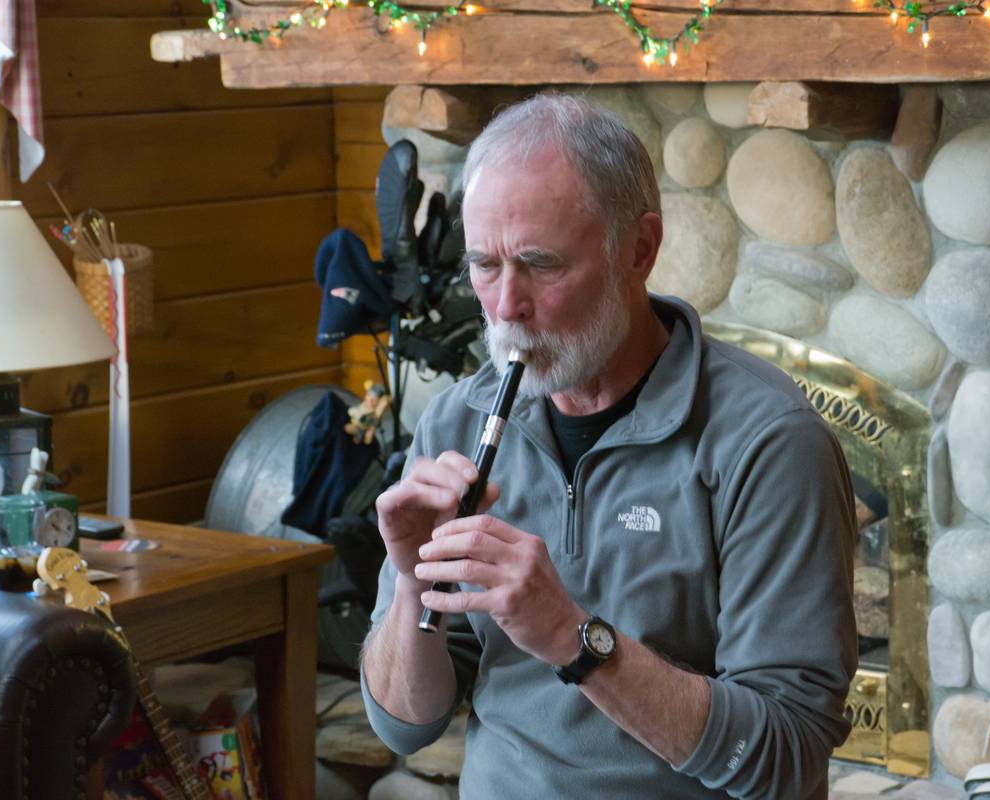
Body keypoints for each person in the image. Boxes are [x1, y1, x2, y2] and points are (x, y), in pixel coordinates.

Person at [360, 93, 857, 799]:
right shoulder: (456, 423)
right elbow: (403, 726)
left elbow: (785, 756)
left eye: (539, 263)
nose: (505, 307)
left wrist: (569, 635)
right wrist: (412, 583)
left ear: (639, 250)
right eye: (484, 266)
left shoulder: (767, 440)